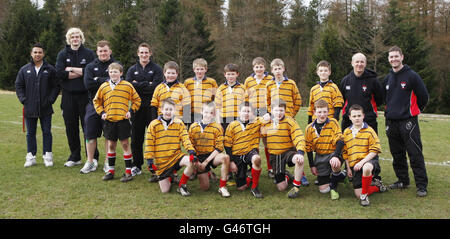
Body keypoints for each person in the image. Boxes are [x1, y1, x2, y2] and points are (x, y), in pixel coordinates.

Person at [383, 46, 429, 197]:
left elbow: (424, 97)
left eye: (396, 56)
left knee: (415, 153)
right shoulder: (387, 78)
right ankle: (403, 180)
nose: (393, 59)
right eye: (391, 57)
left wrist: (414, 112)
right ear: (388, 59)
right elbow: (385, 99)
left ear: (402, 57)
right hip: (391, 122)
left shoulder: (412, 76)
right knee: (397, 154)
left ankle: (421, 185)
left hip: (408, 122)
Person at [93, 63, 141, 182]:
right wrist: (102, 112)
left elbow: (137, 100)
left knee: (125, 144)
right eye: (111, 72)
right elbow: (96, 101)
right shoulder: (104, 86)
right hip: (110, 121)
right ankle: (110, 171)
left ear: (121, 73)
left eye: (116, 71)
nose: (113, 74)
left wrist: (131, 111)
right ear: (108, 73)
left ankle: (128, 172)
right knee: (111, 145)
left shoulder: (127, 86)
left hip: (123, 121)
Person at [55, 27, 96, 167]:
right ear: (69, 39)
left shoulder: (89, 54)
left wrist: (71, 69)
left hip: (86, 96)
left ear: (81, 38)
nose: (75, 39)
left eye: (77, 36)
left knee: (88, 127)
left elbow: (91, 73)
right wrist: (81, 72)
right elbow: (59, 73)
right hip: (68, 97)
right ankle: (75, 156)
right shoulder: (62, 54)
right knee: (70, 127)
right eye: (72, 37)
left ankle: (92, 157)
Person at [264, 58, 308, 185]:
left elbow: (298, 100)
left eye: (279, 68)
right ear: (272, 71)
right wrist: (272, 113)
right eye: (275, 69)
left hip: (288, 119)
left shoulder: (291, 83)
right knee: (275, 142)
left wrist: (291, 114)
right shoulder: (269, 85)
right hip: (275, 119)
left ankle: (301, 175)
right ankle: (279, 171)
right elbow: (267, 102)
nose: (278, 71)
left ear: (283, 69)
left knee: (293, 145)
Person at [15, 43, 60, 167]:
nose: (37, 54)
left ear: (43, 54)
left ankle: (47, 155)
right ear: (31, 53)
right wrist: (24, 99)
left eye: (40, 52)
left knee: (47, 131)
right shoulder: (24, 70)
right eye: (35, 52)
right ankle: (31, 156)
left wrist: (51, 99)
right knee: (30, 133)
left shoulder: (50, 69)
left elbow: (56, 86)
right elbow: (18, 85)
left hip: (46, 107)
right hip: (30, 107)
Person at [144, 99, 197, 196]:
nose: (168, 112)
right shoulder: (153, 124)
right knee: (165, 190)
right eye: (166, 109)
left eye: (171, 109)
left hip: (176, 157)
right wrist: (149, 160)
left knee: (192, 161)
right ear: (161, 110)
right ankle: (170, 176)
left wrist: (191, 151)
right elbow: (149, 143)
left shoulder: (179, 123)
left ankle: (182, 186)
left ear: (175, 110)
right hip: (162, 162)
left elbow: (185, 139)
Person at [126, 43, 163, 176]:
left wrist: (139, 84)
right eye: (141, 52)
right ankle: (137, 165)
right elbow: (130, 87)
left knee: (154, 137)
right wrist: (148, 84)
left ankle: (157, 164)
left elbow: (156, 87)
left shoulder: (157, 69)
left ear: (150, 53)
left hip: (152, 107)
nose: (144, 55)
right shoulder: (132, 70)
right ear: (138, 53)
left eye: (146, 52)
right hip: (137, 107)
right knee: (136, 138)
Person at [80, 40, 117, 174]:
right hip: (93, 104)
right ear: (97, 52)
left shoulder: (116, 65)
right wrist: (105, 80)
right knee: (89, 134)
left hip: (111, 105)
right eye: (100, 51)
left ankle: (108, 162)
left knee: (109, 135)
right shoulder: (90, 67)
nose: (103, 53)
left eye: (105, 51)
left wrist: (97, 79)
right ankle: (90, 162)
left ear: (110, 51)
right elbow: (88, 84)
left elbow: (116, 81)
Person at [342, 104, 387, 206]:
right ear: (349, 117)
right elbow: (345, 153)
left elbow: (375, 150)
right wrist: (349, 168)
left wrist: (362, 162)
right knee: (357, 194)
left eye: (359, 115)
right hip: (355, 166)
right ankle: (377, 186)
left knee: (366, 168)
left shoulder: (370, 131)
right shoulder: (346, 132)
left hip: (368, 161)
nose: (357, 118)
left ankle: (364, 197)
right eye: (354, 116)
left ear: (363, 116)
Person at [261, 99, 306, 199]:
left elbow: (299, 136)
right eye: (276, 110)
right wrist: (262, 120)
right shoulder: (267, 123)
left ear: (285, 110)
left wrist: (300, 152)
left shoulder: (290, 121)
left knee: (299, 160)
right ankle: (287, 176)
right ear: (271, 111)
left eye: (281, 110)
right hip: (275, 155)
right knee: (281, 188)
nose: (279, 113)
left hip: (288, 151)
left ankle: (296, 186)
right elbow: (257, 131)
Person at [304, 99, 346, 200]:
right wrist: (312, 165)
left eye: (324, 112)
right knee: (323, 190)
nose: (322, 115)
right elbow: (308, 148)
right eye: (319, 112)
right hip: (320, 156)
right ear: (314, 112)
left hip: (333, 153)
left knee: (335, 163)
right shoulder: (309, 128)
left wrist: (336, 156)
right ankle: (341, 176)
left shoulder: (333, 123)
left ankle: (334, 188)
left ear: (328, 111)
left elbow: (340, 141)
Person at [188, 102, 231, 197]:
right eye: (206, 112)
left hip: (212, 156)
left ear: (214, 114)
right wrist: (197, 161)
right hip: (199, 157)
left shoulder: (218, 127)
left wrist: (206, 162)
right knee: (205, 188)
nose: (208, 115)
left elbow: (219, 148)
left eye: (211, 113)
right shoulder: (193, 127)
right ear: (201, 111)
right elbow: (190, 146)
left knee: (225, 158)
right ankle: (209, 173)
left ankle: (223, 187)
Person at [224, 102, 264, 198]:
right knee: (241, 188)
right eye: (244, 111)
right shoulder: (232, 125)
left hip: (250, 152)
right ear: (239, 112)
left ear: (252, 114)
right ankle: (249, 175)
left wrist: (267, 116)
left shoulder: (256, 122)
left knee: (257, 159)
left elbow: (268, 118)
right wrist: (232, 162)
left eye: (248, 111)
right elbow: (227, 145)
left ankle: (254, 187)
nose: (246, 113)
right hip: (237, 155)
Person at [244, 57, 275, 179]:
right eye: (257, 67)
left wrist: (270, 112)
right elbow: (245, 98)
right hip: (252, 114)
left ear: (265, 68)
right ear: (253, 68)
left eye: (261, 67)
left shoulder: (270, 79)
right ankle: (251, 166)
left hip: (265, 113)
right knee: (252, 140)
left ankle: (271, 168)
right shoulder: (248, 80)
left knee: (267, 141)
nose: (259, 69)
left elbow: (273, 96)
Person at [339, 53, 383, 134]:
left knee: (370, 146)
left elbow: (379, 99)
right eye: (357, 62)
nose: (359, 64)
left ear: (365, 64)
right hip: (348, 121)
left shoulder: (373, 80)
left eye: (362, 62)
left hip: (369, 121)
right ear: (352, 63)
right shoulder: (345, 81)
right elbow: (342, 100)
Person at [184, 58, 218, 127]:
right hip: (192, 114)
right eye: (197, 69)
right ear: (194, 70)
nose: (199, 71)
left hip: (207, 114)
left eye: (202, 69)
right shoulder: (188, 82)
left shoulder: (211, 82)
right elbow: (185, 99)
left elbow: (217, 98)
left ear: (206, 69)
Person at [214, 63, 247, 133]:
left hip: (239, 118)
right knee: (226, 141)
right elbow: (217, 107)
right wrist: (218, 122)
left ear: (237, 74)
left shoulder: (242, 88)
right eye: (228, 74)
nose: (230, 76)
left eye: (232, 74)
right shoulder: (221, 88)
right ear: (225, 74)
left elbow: (246, 105)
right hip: (224, 119)